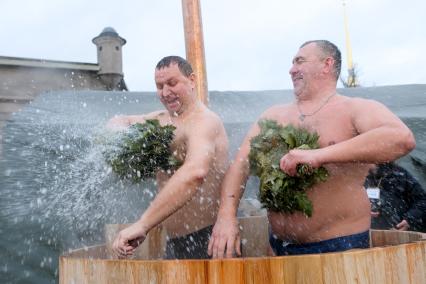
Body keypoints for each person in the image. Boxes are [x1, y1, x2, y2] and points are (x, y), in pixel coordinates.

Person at [208, 40, 416, 257]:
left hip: (340, 248)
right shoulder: (272, 115)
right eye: (292, 63)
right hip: (279, 247)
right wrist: (226, 216)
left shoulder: (355, 108)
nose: (291, 69)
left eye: (300, 61)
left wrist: (318, 155)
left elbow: (401, 138)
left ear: (326, 64)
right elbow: (240, 166)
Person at [109, 56, 229, 259]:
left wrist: (143, 224)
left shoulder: (205, 122)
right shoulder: (161, 120)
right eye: (159, 86)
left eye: (172, 83)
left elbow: (195, 172)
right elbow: (121, 120)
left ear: (191, 80)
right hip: (174, 240)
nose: (165, 93)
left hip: (209, 239)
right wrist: (119, 135)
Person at [365, 162, 426, 232]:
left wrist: (409, 219)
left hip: (398, 232)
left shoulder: (399, 175)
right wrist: (360, 212)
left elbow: (422, 200)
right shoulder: (354, 176)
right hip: (364, 233)